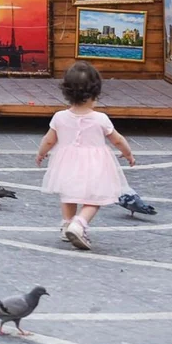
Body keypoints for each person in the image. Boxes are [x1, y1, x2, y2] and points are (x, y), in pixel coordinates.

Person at [36, 61, 135, 250]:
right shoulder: (100, 119)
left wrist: (41, 154)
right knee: (94, 199)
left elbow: (48, 140)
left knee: (68, 194)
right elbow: (118, 140)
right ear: (95, 93)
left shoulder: (59, 117)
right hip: (95, 166)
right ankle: (79, 223)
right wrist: (128, 154)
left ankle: (67, 224)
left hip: (66, 165)